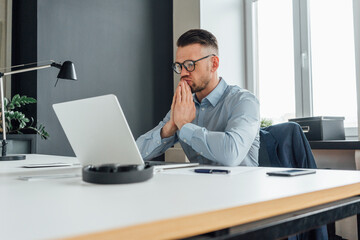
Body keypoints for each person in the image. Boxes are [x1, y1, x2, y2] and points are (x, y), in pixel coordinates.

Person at [136, 29, 260, 166]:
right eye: (179, 66)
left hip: (239, 186)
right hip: (199, 185)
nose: (182, 73)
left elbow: (231, 153)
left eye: (190, 65)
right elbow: (135, 154)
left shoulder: (244, 101)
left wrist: (184, 125)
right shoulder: (184, 107)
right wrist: (169, 127)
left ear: (214, 64)